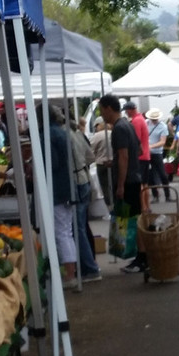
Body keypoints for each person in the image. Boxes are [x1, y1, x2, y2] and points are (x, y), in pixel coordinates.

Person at [99, 94, 148, 274]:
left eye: (101, 110)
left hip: (128, 180)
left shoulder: (119, 128)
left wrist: (120, 184)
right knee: (136, 217)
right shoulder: (128, 124)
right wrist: (116, 161)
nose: (101, 114)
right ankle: (142, 256)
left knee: (133, 219)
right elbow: (138, 150)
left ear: (108, 108)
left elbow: (125, 156)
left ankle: (142, 257)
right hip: (134, 176)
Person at [45, 106, 78, 290]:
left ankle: (69, 274)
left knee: (62, 233)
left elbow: (52, 163)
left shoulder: (49, 135)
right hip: (67, 187)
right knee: (67, 232)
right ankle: (71, 272)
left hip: (57, 189)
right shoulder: (62, 132)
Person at [69, 120, 102, 282]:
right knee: (82, 225)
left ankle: (89, 266)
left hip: (75, 182)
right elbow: (91, 157)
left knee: (77, 227)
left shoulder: (64, 136)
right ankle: (90, 263)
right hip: (84, 179)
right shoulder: (78, 135)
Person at [123, 100, 151, 211]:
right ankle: (147, 206)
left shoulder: (136, 121)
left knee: (139, 184)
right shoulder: (141, 119)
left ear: (131, 110)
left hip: (140, 157)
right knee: (145, 183)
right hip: (146, 155)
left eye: (126, 111)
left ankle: (143, 207)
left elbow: (136, 141)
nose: (126, 113)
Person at [146, 108, 169, 202]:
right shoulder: (146, 123)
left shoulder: (163, 126)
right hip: (147, 153)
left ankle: (167, 194)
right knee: (150, 175)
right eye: (152, 119)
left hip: (157, 152)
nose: (154, 120)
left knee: (162, 174)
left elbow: (163, 141)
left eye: (155, 119)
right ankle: (155, 195)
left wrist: (151, 146)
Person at [90, 116, 113, 210]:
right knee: (114, 186)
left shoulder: (97, 136)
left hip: (101, 164)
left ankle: (110, 207)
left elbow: (90, 150)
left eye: (96, 126)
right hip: (114, 163)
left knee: (105, 187)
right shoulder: (113, 133)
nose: (96, 128)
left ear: (100, 125)